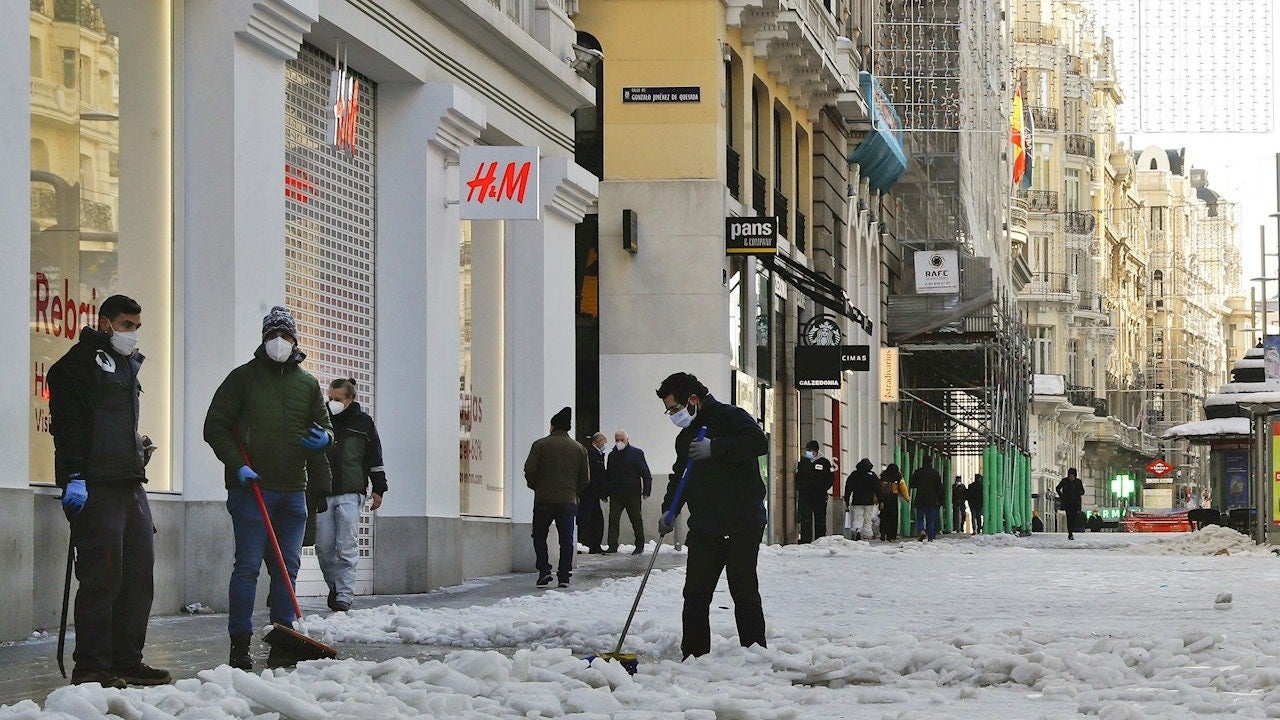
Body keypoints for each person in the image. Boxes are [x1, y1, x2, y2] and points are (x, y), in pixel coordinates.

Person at [47, 294, 169, 688]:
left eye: (136, 326)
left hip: (129, 482)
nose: (132, 333)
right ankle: (92, 668)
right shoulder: (78, 365)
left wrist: (137, 446)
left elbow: (117, 424)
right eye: (125, 325)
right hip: (95, 484)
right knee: (103, 578)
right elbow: (68, 426)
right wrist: (74, 475)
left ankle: (126, 660)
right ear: (104, 323)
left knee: (138, 576)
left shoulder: (125, 365)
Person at [204, 306, 333, 670]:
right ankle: (239, 644)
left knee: (286, 568)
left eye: (286, 336)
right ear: (264, 339)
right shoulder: (242, 379)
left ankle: (284, 640)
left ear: (295, 340)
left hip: (294, 490)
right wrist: (238, 464)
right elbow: (215, 426)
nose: (280, 342)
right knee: (247, 567)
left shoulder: (307, 384)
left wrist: (324, 439)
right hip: (251, 489)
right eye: (273, 335)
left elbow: (326, 428)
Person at [656, 372, 768, 658]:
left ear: (693, 400)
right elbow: (679, 476)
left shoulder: (732, 417)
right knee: (695, 594)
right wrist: (670, 508)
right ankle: (694, 655)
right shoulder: (686, 438)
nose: (672, 415)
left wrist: (715, 448)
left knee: (744, 592)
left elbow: (758, 443)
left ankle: (755, 653)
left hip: (742, 523)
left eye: (674, 409)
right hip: (706, 526)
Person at [316, 378, 387, 612]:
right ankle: (335, 586)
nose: (333, 402)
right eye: (330, 398)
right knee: (324, 547)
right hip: (324, 492)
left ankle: (344, 595)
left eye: (337, 399)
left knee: (346, 544)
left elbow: (374, 457)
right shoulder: (322, 420)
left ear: (350, 399)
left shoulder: (363, 423)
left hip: (351, 491)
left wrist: (379, 489)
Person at [523, 407, 589, 588]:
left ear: (552, 426)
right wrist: (573, 491)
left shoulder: (540, 445)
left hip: (543, 500)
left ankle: (544, 570)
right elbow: (585, 479)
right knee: (566, 539)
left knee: (539, 536)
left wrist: (536, 486)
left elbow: (529, 470)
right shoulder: (579, 448)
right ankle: (564, 576)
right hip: (568, 500)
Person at [605, 429, 653, 554]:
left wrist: (646, 490)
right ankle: (612, 545)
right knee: (613, 519)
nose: (619, 442)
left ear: (627, 440)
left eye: (622, 440)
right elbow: (609, 475)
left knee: (636, 519)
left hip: (632, 493)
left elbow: (645, 473)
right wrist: (605, 492)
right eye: (617, 440)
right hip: (616, 493)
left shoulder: (636, 454)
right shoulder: (612, 455)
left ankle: (639, 545)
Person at [795, 440, 835, 543]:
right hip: (805, 495)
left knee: (820, 519)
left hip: (819, 496)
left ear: (816, 451)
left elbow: (830, 478)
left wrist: (823, 488)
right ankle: (806, 541)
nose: (808, 452)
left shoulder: (824, 462)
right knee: (806, 519)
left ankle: (820, 540)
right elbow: (798, 476)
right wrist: (800, 487)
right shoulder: (803, 462)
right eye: (807, 450)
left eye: (810, 450)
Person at [579, 432, 608, 554]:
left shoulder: (598, 454)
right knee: (590, 520)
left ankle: (593, 545)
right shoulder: (591, 454)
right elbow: (594, 474)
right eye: (603, 442)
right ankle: (589, 544)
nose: (604, 444)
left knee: (594, 520)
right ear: (598, 441)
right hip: (589, 493)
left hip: (593, 493)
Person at [842, 458, 879, 541]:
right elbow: (878, 488)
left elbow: (848, 488)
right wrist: (880, 499)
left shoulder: (854, 474)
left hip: (857, 500)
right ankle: (867, 534)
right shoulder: (872, 475)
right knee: (867, 518)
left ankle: (857, 530)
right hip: (869, 501)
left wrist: (847, 499)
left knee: (858, 517)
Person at [910, 456, 944, 541]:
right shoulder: (935, 473)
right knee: (931, 521)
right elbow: (939, 488)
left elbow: (912, 484)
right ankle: (931, 538)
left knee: (920, 519)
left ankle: (921, 531)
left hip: (920, 499)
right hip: (932, 500)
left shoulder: (918, 472)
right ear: (931, 462)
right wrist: (940, 500)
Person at [877, 463, 909, 541]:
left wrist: (876, 499)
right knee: (893, 518)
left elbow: (878, 488)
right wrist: (907, 498)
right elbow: (903, 489)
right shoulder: (898, 478)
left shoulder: (882, 477)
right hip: (893, 499)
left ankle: (883, 531)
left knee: (884, 516)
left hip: (884, 499)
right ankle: (891, 536)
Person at [1056, 467, 1085, 540]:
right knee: (1069, 518)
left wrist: (1079, 493)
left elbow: (1082, 491)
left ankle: (1071, 531)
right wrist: (1062, 496)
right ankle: (1070, 533)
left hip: (1075, 503)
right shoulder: (1064, 481)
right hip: (1068, 503)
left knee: (1074, 518)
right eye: (1070, 476)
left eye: (1073, 476)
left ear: (1075, 476)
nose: (1071, 477)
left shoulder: (1078, 482)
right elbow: (1058, 488)